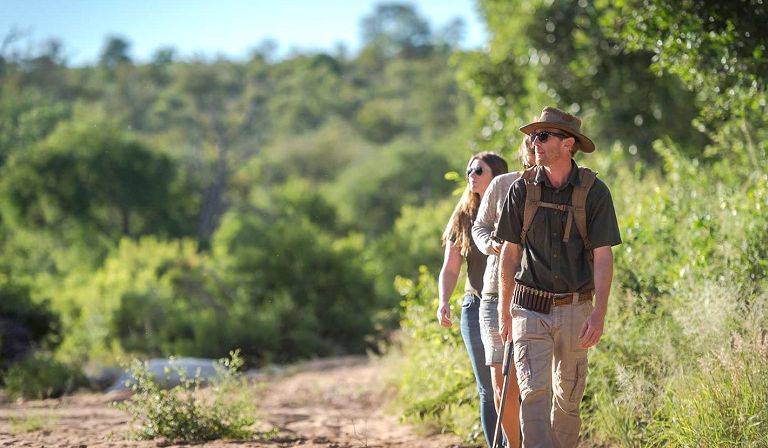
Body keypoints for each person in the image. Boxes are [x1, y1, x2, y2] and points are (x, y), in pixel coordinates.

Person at [496, 107, 622, 448]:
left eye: (542, 136)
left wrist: (599, 312)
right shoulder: (521, 190)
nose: (533, 143)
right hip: (528, 309)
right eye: (532, 137)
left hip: (576, 309)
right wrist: (504, 311)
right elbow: (509, 254)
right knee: (533, 394)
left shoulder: (595, 192)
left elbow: (603, 256)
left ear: (568, 144)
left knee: (568, 400)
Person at [437, 151, 509, 448]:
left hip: (513, 305)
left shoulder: (512, 206)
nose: (471, 175)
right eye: (469, 170)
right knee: (488, 388)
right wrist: (443, 301)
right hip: (475, 306)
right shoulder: (464, 214)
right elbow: (450, 267)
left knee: (514, 385)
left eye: (479, 170)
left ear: (498, 176)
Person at [472, 137, 534, 448]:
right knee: (502, 384)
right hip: (495, 293)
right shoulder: (502, 184)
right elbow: (479, 227)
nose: (537, 148)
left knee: (533, 383)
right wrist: (492, 245)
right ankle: (514, 444)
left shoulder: (563, 189)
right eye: (533, 143)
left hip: (538, 295)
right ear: (525, 151)